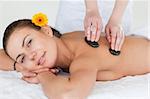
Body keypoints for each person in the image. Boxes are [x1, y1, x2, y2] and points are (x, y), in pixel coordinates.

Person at [0, 19, 149, 99]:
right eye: (22, 58)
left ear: (46, 30)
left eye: (29, 42)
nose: (31, 56)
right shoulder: (63, 42)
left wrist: (42, 74)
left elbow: (68, 94)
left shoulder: (84, 57)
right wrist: (20, 66)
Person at [55, 0, 131, 52]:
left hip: (119, 6)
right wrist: (91, 9)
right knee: (67, 49)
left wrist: (116, 19)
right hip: (77, 5)